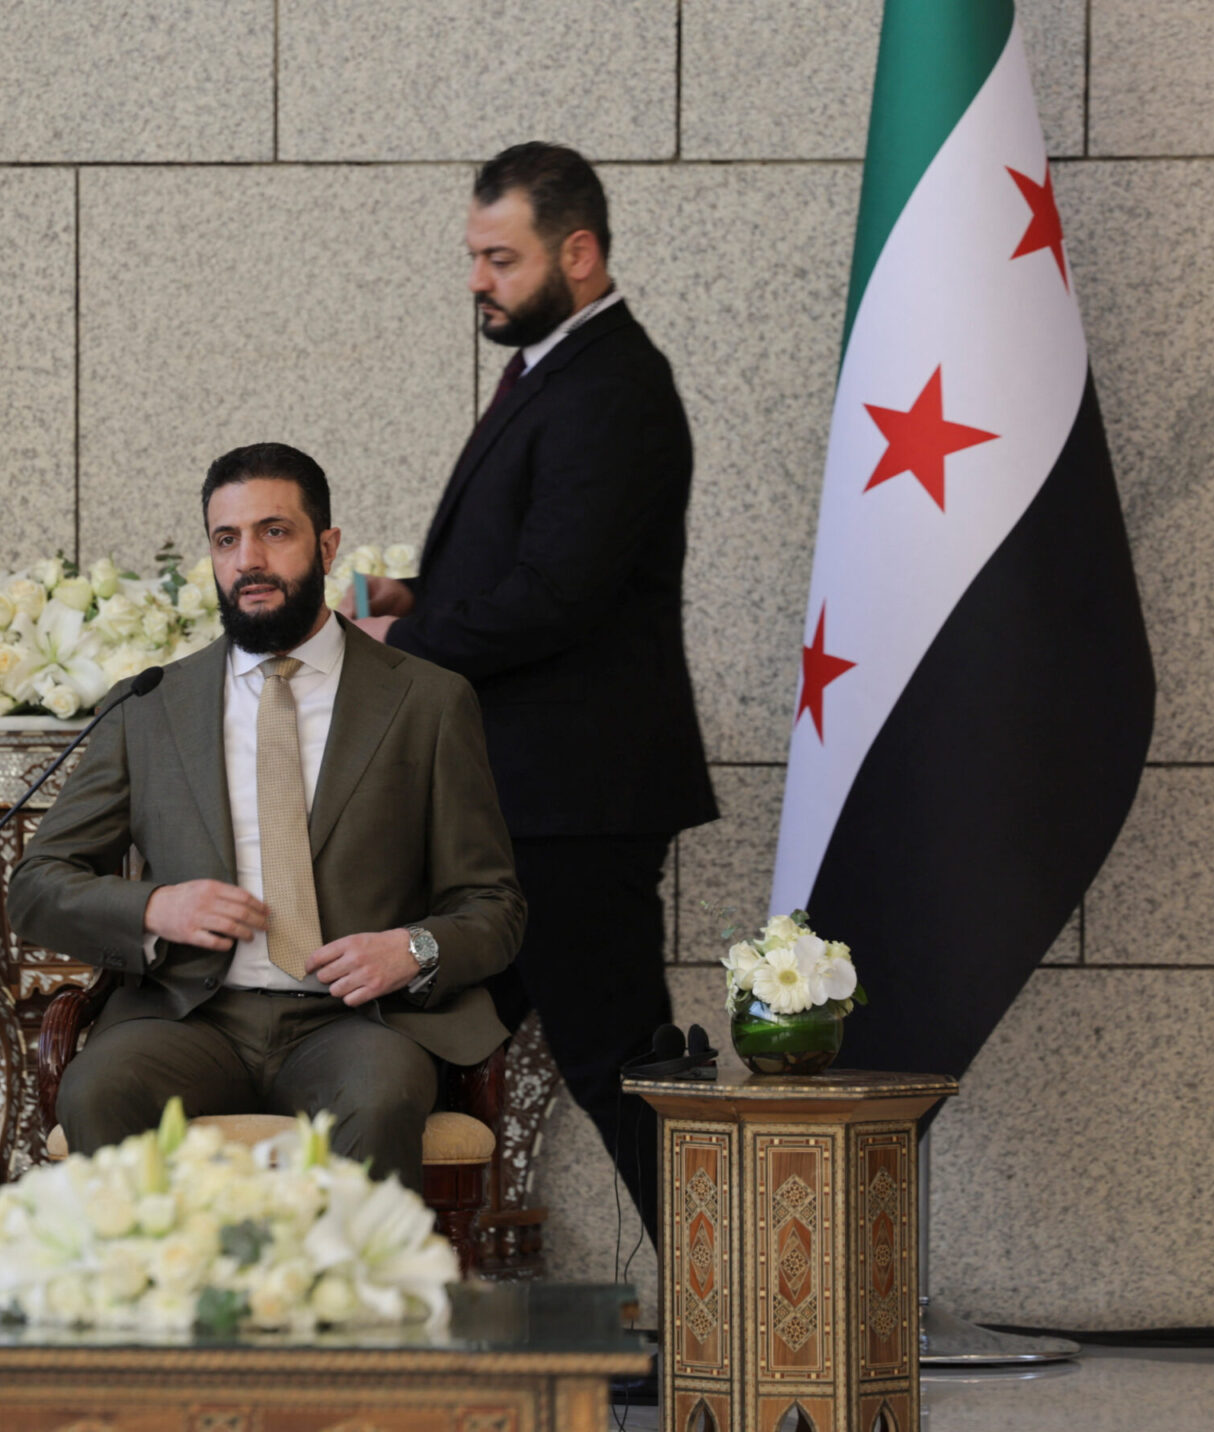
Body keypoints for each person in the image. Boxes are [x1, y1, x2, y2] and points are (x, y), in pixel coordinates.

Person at [349, 143, 719, 1233]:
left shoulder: (611, 386)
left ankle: (736, 1304)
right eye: (473, 256)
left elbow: (557, 596)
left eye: (500, 259)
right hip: (524, 802)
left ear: (579, 252)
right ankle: (380, 1281)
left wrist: (395, 638)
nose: (478, 280)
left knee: (619, 1065)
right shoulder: (561, 370)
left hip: (571, 808)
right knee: (414, 1046)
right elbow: (531, 572)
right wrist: (410, 595)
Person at [8, 442, 525, 1191]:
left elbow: (495, 905)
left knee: (380, 1099)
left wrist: (412, 949)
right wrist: (155, 908)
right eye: (227, 539)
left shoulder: (428, 701)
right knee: (98, 1089)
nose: (248, 559)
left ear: (327, 546)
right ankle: (155, 1273)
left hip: (358, 1025)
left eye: (274, 532)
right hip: (189, 1021)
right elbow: (36, 885)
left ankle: (358, 1275)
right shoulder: (150, 706)